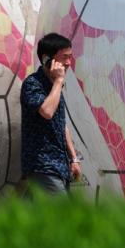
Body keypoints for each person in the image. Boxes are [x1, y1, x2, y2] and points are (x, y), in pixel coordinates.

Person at [20, 32, 81, 195]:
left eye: (70, 57)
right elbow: (46, 112)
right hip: (43, 165)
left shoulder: (54, 86)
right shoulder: (32, 84)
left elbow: (61, 123)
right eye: (64, 57)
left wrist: (73, 158)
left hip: (59, 165)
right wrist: (59, 81)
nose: (68, 63)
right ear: (48, 59)